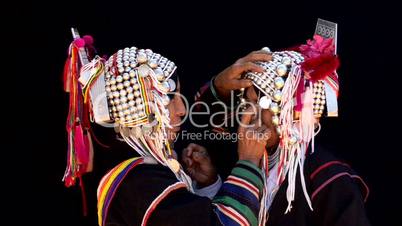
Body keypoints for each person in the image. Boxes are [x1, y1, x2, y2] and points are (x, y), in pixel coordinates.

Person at [63, 42, 274, 226]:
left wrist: (207, 187)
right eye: (170, 97)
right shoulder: (138, 184)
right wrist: (248, 161)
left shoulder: (144, 175)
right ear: (138, 108)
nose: (182, 110)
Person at [188, 34, 370, 226]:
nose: (248, 113)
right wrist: (210, 185)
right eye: (247, 102)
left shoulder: (330, 180)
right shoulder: (243, 153)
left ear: (291, 112)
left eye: (262, 103)